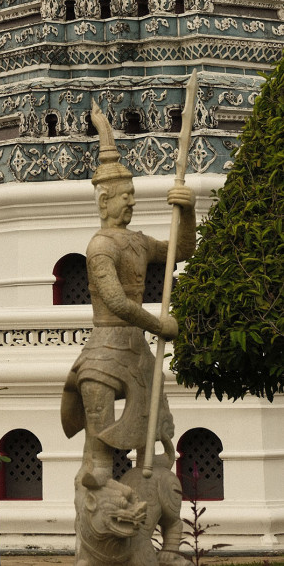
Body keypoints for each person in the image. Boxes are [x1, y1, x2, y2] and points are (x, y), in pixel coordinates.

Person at [61, 100, 196, 491]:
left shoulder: (137, 242)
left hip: (136, 347)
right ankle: (98, 467)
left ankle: (148, 481)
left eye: (133, 195)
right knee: (97, 409)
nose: (132, 202)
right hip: (106, 343)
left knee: (150, 427)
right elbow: (117, 302)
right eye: (125, 196)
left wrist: (186, 212)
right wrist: (159, 324)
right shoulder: (100, 246)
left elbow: (181, 251)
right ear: (105, 201)